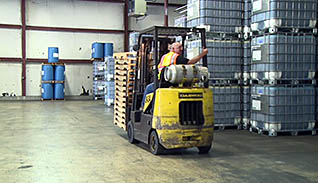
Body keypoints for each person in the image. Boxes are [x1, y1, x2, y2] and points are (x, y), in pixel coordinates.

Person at [140, 42, 209, 109]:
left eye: (181, 47)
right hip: (167, 81)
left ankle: (144, 108)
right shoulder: (175, 57)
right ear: (173, 49)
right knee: (149, 88)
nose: (181, 49)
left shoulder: (165, 56)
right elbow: (191, 62)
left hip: (164, 82)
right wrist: (203, 54)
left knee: (148, 88)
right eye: (179, 47)